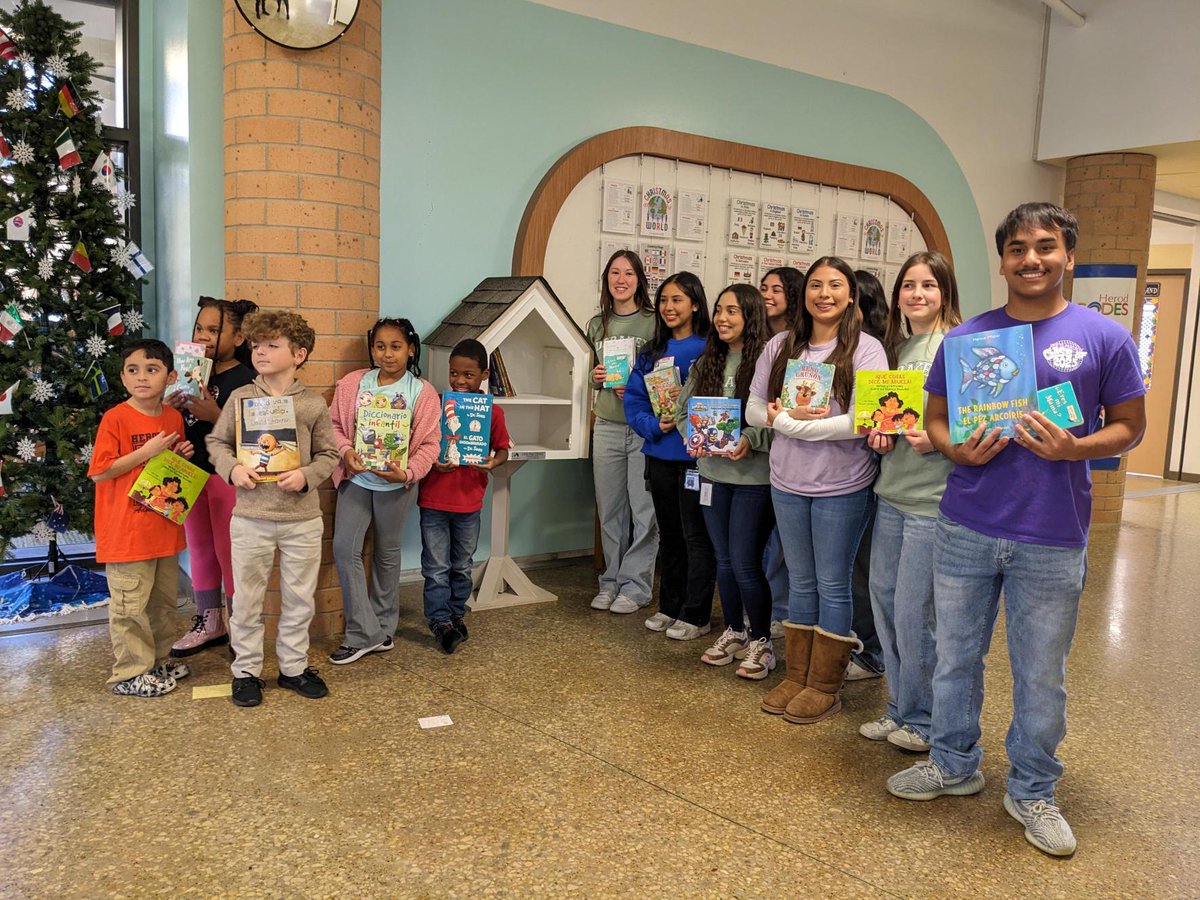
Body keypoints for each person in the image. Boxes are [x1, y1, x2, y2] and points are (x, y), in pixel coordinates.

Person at [886, 204, 1145, 858]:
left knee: (1040, 673)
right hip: (965, 525)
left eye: (1046, 247)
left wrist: (1074, 449)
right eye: (1019, 249)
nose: (1032, 259)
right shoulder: (968, 339)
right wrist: (954, 450)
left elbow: (1130, 425)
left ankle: (1032, 786)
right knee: (954, 657)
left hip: (1053, 534)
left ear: (1068, 257)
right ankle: (953, 762)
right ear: (1001, 260)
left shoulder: (1101, 337)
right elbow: (937, 418)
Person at [748, 257, 888, 723]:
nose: (823, 293)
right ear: (803, 294)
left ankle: (826, 684)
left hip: (842, 485)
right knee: (799, 579)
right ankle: (797, 674)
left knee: (833, 581)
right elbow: (750, 408)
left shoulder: (867, 350)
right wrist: (774, 417)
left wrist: (793, 425)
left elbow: (864, 420)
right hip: (786, 481)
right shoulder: (780, 345)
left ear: (850, 295)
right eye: (814, 285)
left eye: (834, 285)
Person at [207, 311, 340, 707]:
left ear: (299, 354)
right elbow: (217, 444)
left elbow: (330, 453)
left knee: (300, 598)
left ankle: (293, 667)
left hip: (302, 519)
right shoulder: (241, 398)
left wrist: (307, 476)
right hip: (251, 518)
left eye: (272, 345)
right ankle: (246, 672)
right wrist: (233, 471)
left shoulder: (313, 404)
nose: (260, 352)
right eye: (256, 345)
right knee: (246, 600)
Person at [858, 252, 962, 753]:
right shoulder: (895, 349)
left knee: (915, 613)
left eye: (928, 285)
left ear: (946, 292)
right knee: (884, 601)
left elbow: (983, 419)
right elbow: (885, 418)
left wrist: (938, 438)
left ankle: (923, 719)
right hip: (891, 492)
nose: (917, 294)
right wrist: (878, 437)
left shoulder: (958, 345)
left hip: (932, 501)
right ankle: (899, 706)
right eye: (908, 286)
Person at [328, 318, 440, 664]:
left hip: (397, 484)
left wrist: (406, 473)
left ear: (410, 349)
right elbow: (333, 425)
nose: (387, 354)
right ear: (371, 348)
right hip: (358, 479)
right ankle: (365, 632)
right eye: (380, 346)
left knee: (387, 554)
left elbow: (430, 444)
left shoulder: (421, 392)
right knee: (344, 548)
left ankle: (384, 628)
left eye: (395, 347)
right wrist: (346, 452)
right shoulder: (352, 384)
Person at [676, 284, 775, 676]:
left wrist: (752, 440)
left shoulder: (770, 361)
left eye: (732, 311)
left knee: (746, 562)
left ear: (751, 316)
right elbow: (684, 411)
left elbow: (780, 421)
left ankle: (762, 641)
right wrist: (694, 438)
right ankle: (734, 630)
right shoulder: (708, 361)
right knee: (723, 560)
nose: (722, 318)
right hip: (712, 475)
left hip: (754, 480)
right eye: (719, 310)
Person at [88, 339, 195, 697]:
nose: (142, 377)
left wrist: (180, 453)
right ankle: (129, 673)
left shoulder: (173, 417)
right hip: (126, 533)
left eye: (152, 370)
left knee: (162, 603)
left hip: (163, 528)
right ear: (122, 377)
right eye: (133, 370)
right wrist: (146, 451)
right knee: (129, 606)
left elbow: (170, 469)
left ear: (170, 376)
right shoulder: (115, 418)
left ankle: (158, 660)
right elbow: (101, 472)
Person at [624, 271, 714, 640]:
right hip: (659, 452)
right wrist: (652, 425)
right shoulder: (651, 351)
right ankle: (669, 607)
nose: (668, 307)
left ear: (695, 303)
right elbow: (634, 399)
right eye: (663, 300)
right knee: (670, 536)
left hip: (696, 458)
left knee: (697, 538)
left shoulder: (711, 347)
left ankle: (696, 615)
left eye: (677, 300)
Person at [167, 296, 259, 657]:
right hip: (190, 472)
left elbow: (258, 440)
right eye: (199, 328)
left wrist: (214, 412)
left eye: (214, 329)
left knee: (228, 552)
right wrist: (169, 404)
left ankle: (241, 629)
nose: (204, 336)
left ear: (238, 338)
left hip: (226, 477)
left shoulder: (248, 379)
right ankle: (210, 622)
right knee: (200, 549)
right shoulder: (191, 373)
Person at [418, 339, 512, 653]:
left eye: (468, 375)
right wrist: (433, 462)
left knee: (461, 564)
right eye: (454, 373)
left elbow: (502, 450)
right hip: (433, 499)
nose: (460, 381)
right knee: (435, 567)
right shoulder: (435, 406)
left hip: (469, 501)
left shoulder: (492, 414)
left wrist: (493, 462)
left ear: (484, 374)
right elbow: (422, 447)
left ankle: (457, 613)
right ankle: (439, 621)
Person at [586, 250, 660, 614]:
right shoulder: (596, 325)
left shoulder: (654, 321)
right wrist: (597, 378)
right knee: (610, 508)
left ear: (639, 280)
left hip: (644, 428)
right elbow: (586, 374)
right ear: (607, 279)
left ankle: (636, 586)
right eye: (614, 272)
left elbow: (666, 374)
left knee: (644, 510)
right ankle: (610, 581)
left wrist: (639, 387)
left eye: (628, 273)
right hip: (608, 426)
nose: (621, 279)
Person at [844, 269, 891, 681]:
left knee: (866, 568)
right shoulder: (833, 349)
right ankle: (850, 643)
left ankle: (870, 650)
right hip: (853, 471)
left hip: (881, 475)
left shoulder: (880, 351)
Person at [759, 266, 805, 639]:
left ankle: (782, 611)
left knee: (782, 545)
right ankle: (767, 608)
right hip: (764, 457)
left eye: (777, 289)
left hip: (796, 459)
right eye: (763, 288)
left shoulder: (803, 345)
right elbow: (753, 405)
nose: (767, 295)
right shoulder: (764, 341)